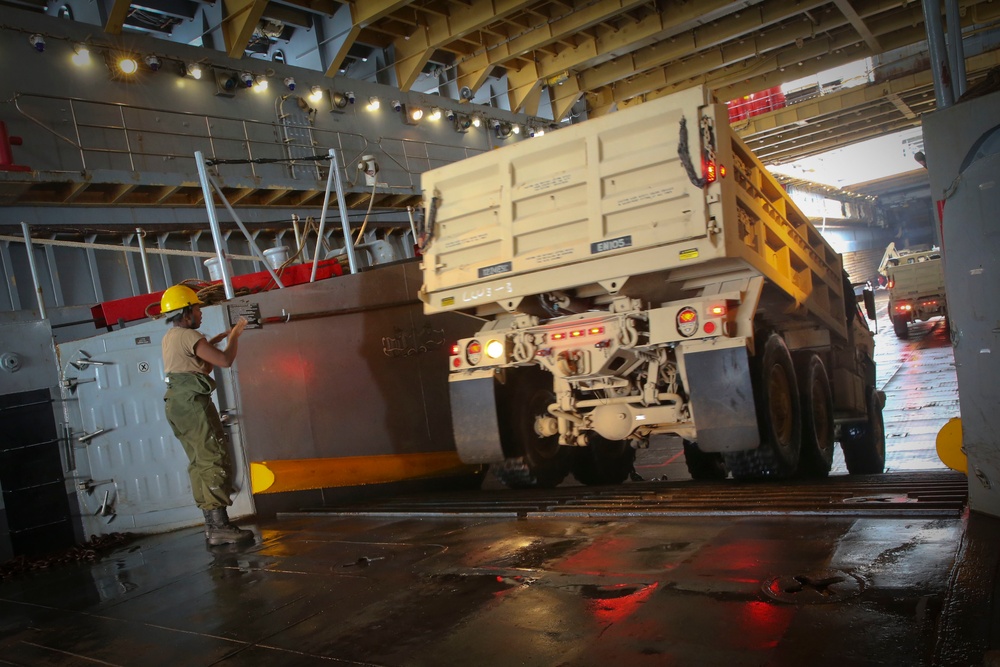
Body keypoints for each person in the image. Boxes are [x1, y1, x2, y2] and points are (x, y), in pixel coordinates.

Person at [159, 284, 253, 545]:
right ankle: (221, 526)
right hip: (193, 404)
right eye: (198, 309)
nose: (200, 314)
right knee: (212, 457)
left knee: (198, 462)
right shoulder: (189, 336)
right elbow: (224, 361)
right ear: (186, 312)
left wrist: (213, 342)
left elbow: (200, 367)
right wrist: (235, 335)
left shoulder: (171, 336)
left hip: (177, 405)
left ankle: (211, 526)